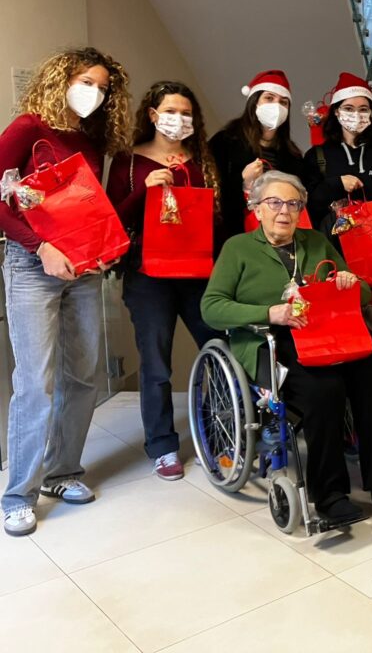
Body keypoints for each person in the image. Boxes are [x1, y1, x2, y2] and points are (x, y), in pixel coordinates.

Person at [201, 172, 372, 524]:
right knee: (323, 389)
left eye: (293, 204)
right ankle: (330, 495)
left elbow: (365, 295)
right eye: (274, 203)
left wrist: (348, 282)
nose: (284, 211)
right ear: (257, 209)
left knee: (370, 374)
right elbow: (212, 308)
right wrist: (270, 313)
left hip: (327, 336)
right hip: (273, 342)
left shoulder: (316, 242)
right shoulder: (238, 248)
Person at [0, 47, 131, 536]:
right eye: (85, 81)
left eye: (102, 86)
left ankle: (62, 472)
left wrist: (104, 246)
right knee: (37, 381)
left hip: (83, 266)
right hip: (33, 264)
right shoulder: (27, 128)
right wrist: (41, 248)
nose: (93, 93)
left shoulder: (92, 139)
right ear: (61, 79)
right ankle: (18, 495)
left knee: (83, 375)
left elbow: (84, 208)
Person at [106, 81, 220, 481]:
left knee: (219, 347)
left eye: (186, 113)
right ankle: (163, 446)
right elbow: (113, 218)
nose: (179, 120)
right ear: (152, 115)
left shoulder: (201, 160)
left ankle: (219, 431)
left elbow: (214, 219)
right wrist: (146, 192)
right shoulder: (129, 162)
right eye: (171, 112)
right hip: (147, 275)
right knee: (155, 364)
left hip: (198, 273)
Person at [301, 72, 372, 284]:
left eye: (364, 109)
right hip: (332, 258)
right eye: (349, 108)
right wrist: (336, 184)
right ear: (336, 112)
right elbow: (308, 207)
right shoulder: (316, 155)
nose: (357, 115)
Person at [209, 70, 303, 239]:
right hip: (235, 236)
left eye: (284, 102)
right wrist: (242, 181)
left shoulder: (292, 155)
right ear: (254, 103)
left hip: (281, 238)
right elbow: (211, 192)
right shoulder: (225, 141)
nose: (277, 106)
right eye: (269, 98)